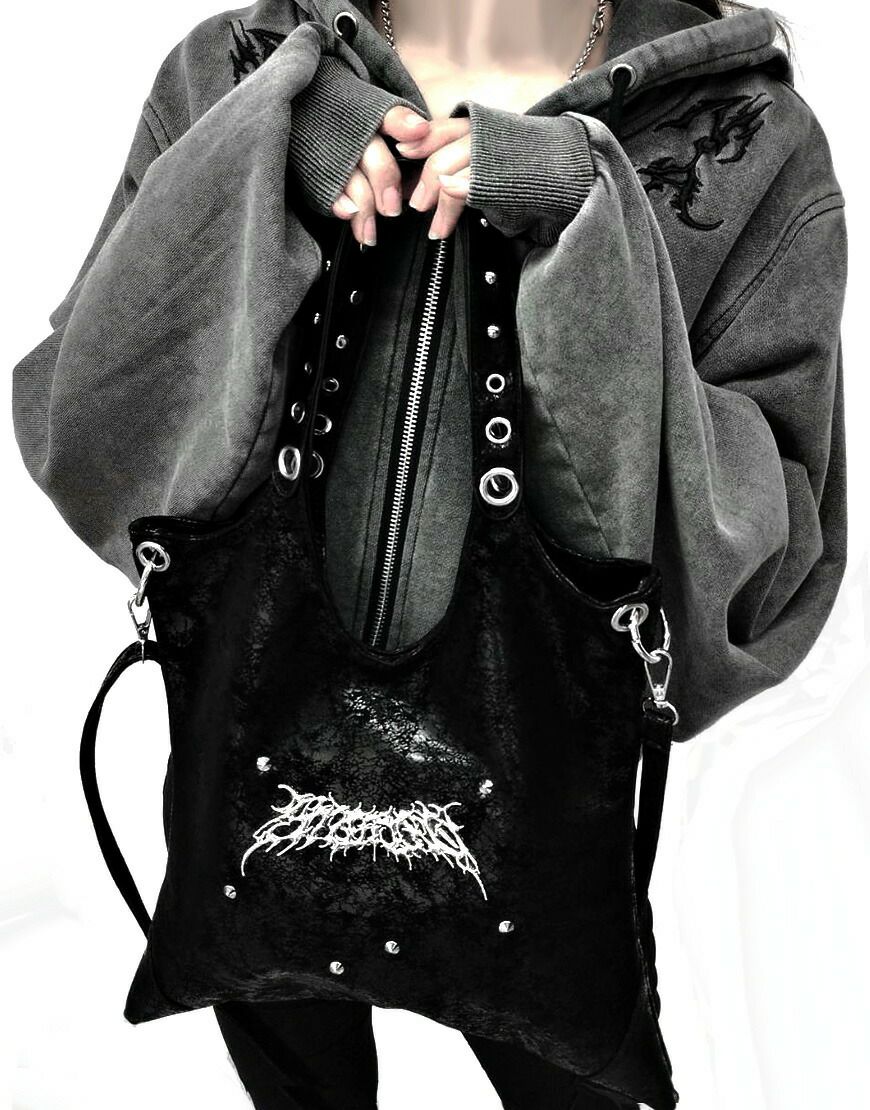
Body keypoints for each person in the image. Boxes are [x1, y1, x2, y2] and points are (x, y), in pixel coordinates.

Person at [10, 0, 848, 1107]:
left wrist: (589, 228)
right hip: (253, 734)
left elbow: (765, 559)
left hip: (538, 782)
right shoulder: (234, 69)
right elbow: (92, 424)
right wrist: (270, 151)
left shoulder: (746, 139)